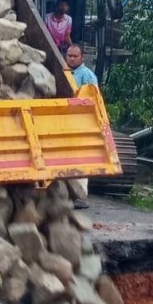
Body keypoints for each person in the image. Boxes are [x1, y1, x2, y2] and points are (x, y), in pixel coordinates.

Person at [66, 44, 96, 210]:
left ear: (82, 58)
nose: (71, 58)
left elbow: (92, 101)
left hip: (82, 124)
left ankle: (81, 196)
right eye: (69, 55)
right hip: (67, 123)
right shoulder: (65, 73)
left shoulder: (87, 76)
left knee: (81, 160)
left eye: (74, 56)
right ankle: (70, 195)